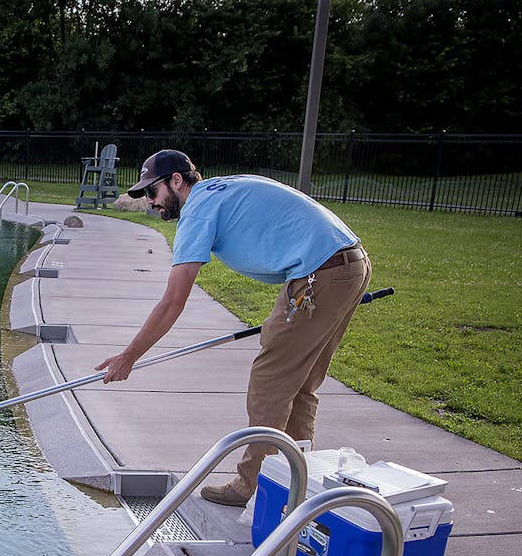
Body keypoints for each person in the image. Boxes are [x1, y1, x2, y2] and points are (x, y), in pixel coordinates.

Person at [95, 149, 372, 506]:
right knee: (299, 383)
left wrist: (129, 356)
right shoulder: (221, 189)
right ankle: (294, 483)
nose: (151, 202)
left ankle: (251, 486)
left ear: (176, 181)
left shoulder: (197, 211)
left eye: (153, 192)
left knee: (270, 381)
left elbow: (173, 301)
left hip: (321, 272)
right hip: (346, 263)